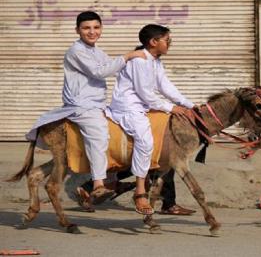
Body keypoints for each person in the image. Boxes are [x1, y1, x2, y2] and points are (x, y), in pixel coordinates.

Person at [26, 11, 145, 205]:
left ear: (101, 29)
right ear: (77, 30)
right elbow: (101, 71)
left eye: (96, 27)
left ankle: (113, 180)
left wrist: (140, 63)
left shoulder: (97, 51)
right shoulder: (76, 51)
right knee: (98, 134)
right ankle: (98, 184)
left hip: (98, 105)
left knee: (124, 129)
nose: (92, 32)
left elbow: (115, 65)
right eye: (86, 28)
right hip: (82, 106)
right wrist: (130, 55)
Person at [107, 24, 195, 215]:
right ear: (154, 42)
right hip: (129, 108)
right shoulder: (139, 61)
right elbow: (146, 94)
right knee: (146, 142)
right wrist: (171, 107)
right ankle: (139, 193)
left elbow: (166, 86)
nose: (169, 43)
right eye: (167, 40)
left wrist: (191, 106)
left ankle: (165, 200)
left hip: (144, 106)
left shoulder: (154, 60)